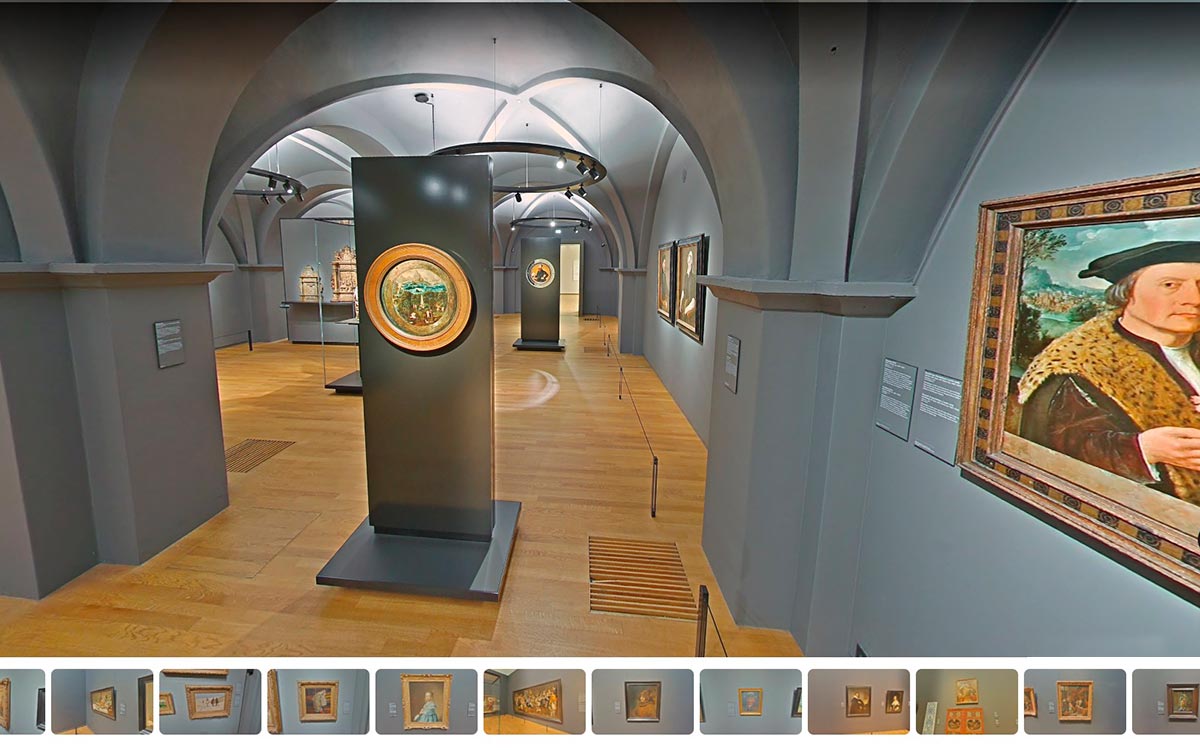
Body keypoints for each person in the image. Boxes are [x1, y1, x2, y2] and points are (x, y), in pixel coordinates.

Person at [1017, 240, 1200, 504]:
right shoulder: (1076, 364)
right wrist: (1143, 450)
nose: (1194, 299)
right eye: (1170, 285)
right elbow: (1048, 454)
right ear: (1127, 293)